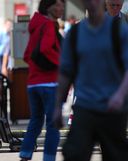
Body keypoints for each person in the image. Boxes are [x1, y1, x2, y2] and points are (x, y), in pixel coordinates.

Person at [53, 0, 128, 160]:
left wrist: (120, 95)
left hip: (112, 109)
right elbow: (65, 73)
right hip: (84, 107)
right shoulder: (75, 34)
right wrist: (57, 106)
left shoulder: (118, 31)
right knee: (74, 154)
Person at [19, 0, 64, 161]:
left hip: (33, 84)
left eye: (62, 5)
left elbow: (26, 55)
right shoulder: (49, 25)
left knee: (36, 120)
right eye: (58, 5)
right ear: (48, 6)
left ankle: (25, 154)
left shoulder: (36, 26)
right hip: (50, 83)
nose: (61, 8)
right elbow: (45, 49)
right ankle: (49, 158)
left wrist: (36, 68)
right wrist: (62, 64)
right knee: (53, 124)